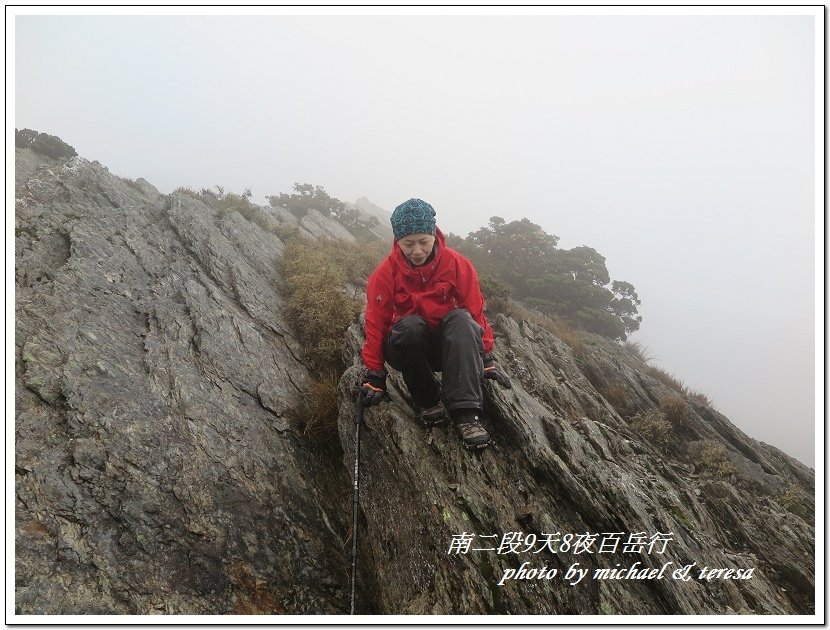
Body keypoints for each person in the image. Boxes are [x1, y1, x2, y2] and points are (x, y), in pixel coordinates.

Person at [358, 198, 512, 450]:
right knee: (409, 327)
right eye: (408, 244)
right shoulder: (384, 274)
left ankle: (466, 415)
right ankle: (428, 400)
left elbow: (475, 310)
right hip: (409, 348)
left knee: (461, 319)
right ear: (397, 241)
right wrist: (375, 374)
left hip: (448, 348)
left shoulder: (457, 264)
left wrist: (485, 357)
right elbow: (376, 322)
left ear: (434, 235)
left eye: (423, 242)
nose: (417, 250)